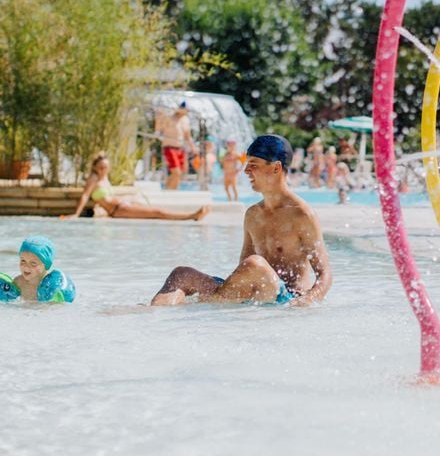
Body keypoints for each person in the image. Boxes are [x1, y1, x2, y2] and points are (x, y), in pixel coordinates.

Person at [151, 134, 331, 307]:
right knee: (181, 274)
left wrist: (307, 300)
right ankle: (153, 314)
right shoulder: (253, 214)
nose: (246, 171)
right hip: (253, 291)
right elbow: (242, 271)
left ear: (276, 168)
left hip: (285, 297)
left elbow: (325, 275)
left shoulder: (302, 215)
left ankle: (208, 302)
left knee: (255, 264)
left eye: (253, 164)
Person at [62, 152, 211, 221]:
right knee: (157, 212)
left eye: (105, 167)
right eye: (100, 167)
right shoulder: (93, 178)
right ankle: (191, 216)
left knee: (155, 210)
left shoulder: (104, 177)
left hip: (123, 205)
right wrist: (76, 214)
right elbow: (85, 195)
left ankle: (191, 215)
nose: (103, 170)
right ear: (95, 167)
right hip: (118, 210)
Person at [4, 236, 74, 302]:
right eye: (23, 261)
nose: (26, 267)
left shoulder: (52, 285)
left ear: (46, 264)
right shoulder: (19, 282)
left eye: (33, 263)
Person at [156, 101, 197, 190]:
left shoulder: (185, 120)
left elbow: (188, 136)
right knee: (176, 172)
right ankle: (168, 191)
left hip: (180, 148)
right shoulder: (169, 118)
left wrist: (193, 147)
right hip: (169, 147)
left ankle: (170, 190)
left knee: (179, 174)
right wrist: (159, 115)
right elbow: (158, 128)